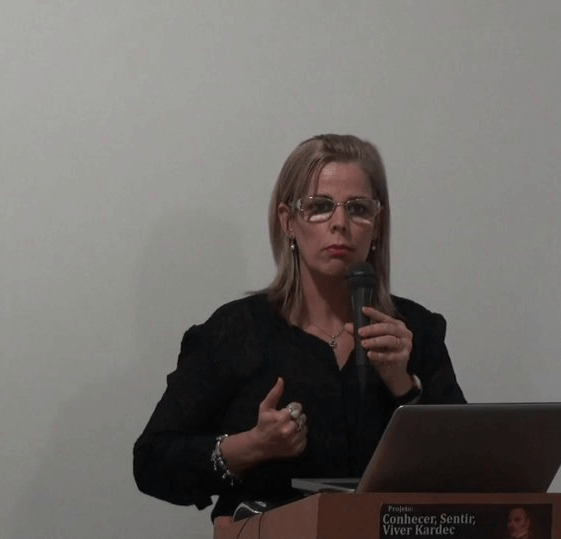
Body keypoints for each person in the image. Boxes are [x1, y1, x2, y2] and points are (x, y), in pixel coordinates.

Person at [132, 134, 466, 524]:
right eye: (320, 207)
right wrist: (252, 446)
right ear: (288, 221)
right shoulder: (235, 332)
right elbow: (153, 461)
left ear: (377, 225)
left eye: (358, 208)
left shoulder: (414, 331)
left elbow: (468, 472)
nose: (340, 224)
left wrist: (404, 387)